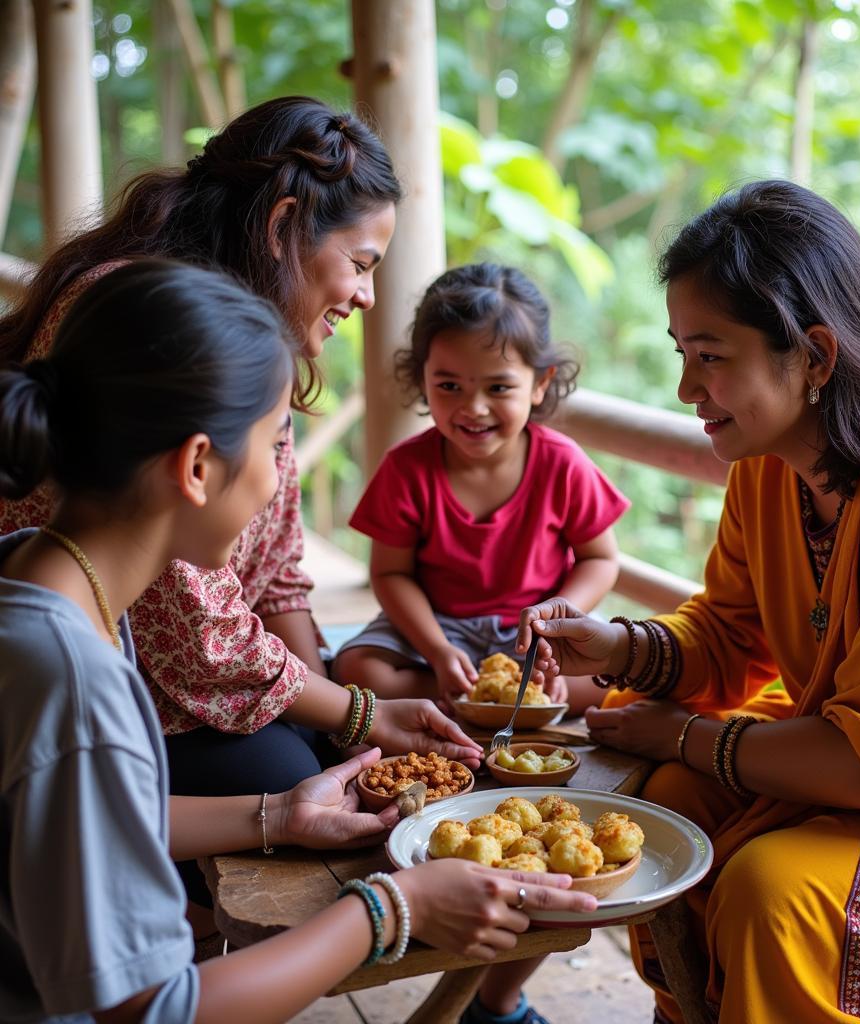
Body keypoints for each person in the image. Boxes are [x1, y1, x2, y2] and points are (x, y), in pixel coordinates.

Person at [0, 260, 598, 1024]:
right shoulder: (73, 675)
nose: (280, 480)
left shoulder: (49, 585)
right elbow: (153, 1011)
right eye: (277, 440)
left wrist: (278, 815)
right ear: (195, 466)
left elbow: (90, 809)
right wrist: (390, 907)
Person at [516, 180, 860, 1023]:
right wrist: (621, 649)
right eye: (682, 353)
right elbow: (727, 635)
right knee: (664, 806)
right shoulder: (768, 464)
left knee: (769, 891)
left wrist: (679, 730)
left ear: (816, 356)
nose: (686, 388)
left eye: (711, 357)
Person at [0, 97, 485, 916]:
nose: (368, 295)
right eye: (362, 262)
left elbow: (279, 577)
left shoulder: (253, 336)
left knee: (331, 760)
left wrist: (347, 720)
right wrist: (358, 712)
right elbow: (189, 629)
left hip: (174, 666)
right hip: (120, 686)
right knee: (305, 790)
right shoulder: (154, 318)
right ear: (285, 223)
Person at [333, 262, 629, 715]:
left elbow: (600, 558)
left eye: (498, 387)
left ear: (539, 383)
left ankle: (483, 701)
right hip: (435, 628)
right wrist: (436, 649)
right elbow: (391, 574)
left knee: (625, 671)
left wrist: (559, 619)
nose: (473, 408)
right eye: (449, 385)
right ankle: (494, 699)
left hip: (536, 632)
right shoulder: (407, 468)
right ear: (422, 379)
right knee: (357, 670)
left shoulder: (562, 463)